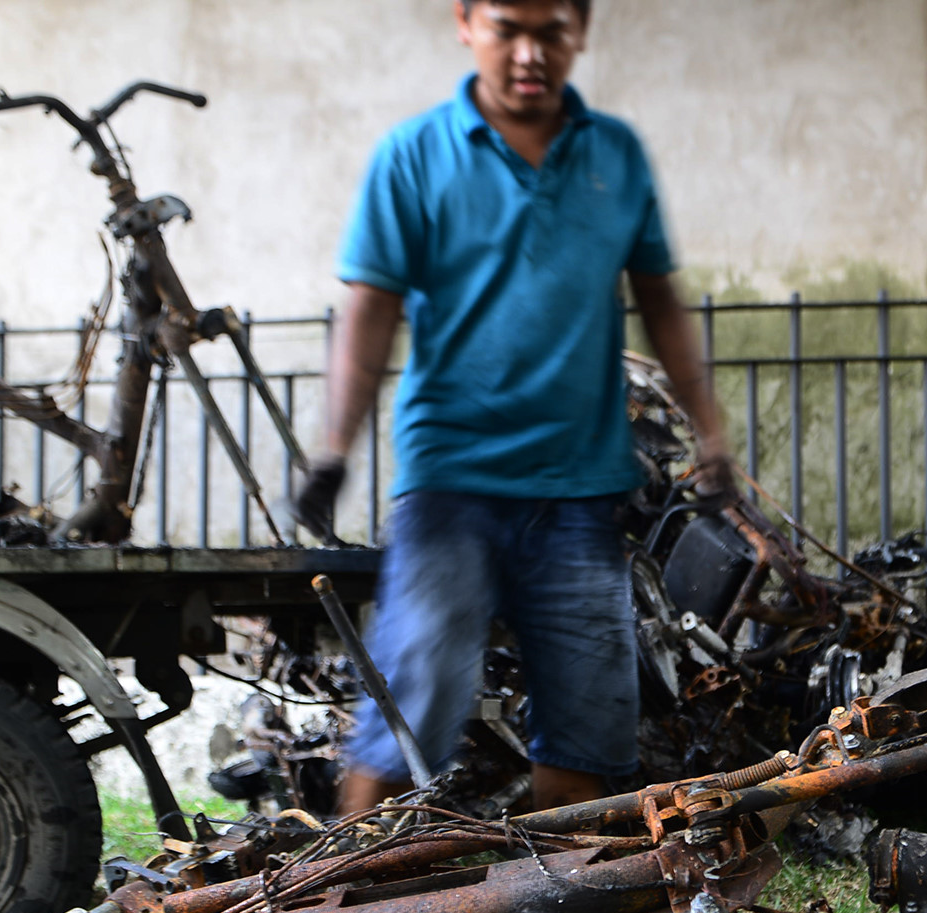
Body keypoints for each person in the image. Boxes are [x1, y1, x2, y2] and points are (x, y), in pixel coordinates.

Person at [296, 0, 731, 815]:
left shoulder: (615, 155)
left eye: (551, 30)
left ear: (582, 31)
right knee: (408, 713)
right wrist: (334, 448)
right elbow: (370, 310)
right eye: (508, 28)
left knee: (585, 733)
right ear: (466, 23)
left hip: (579, 491)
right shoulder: (415, 156)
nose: (530, 53)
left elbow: (661, 301)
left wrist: (712, 435)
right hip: (451, 481)